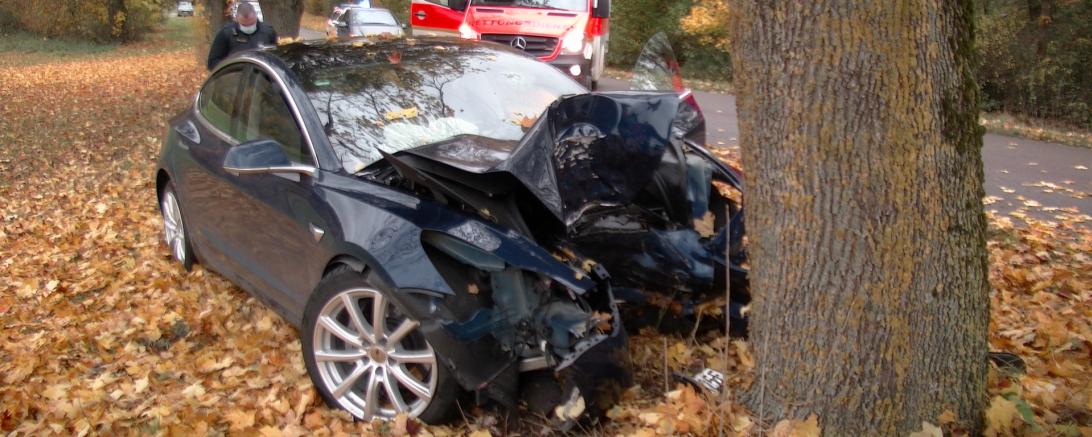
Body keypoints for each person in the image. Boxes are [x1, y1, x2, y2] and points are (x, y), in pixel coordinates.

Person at [206, 2, 277, 71]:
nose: (249, 27)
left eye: (252, 23)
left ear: (256, 15)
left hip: (263, 76)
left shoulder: (268, 32)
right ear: (237, 18)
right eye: (244, 25)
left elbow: (276, 58)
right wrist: (232, 67)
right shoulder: (226, 33)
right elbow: (212, 63)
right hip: (235, 76)